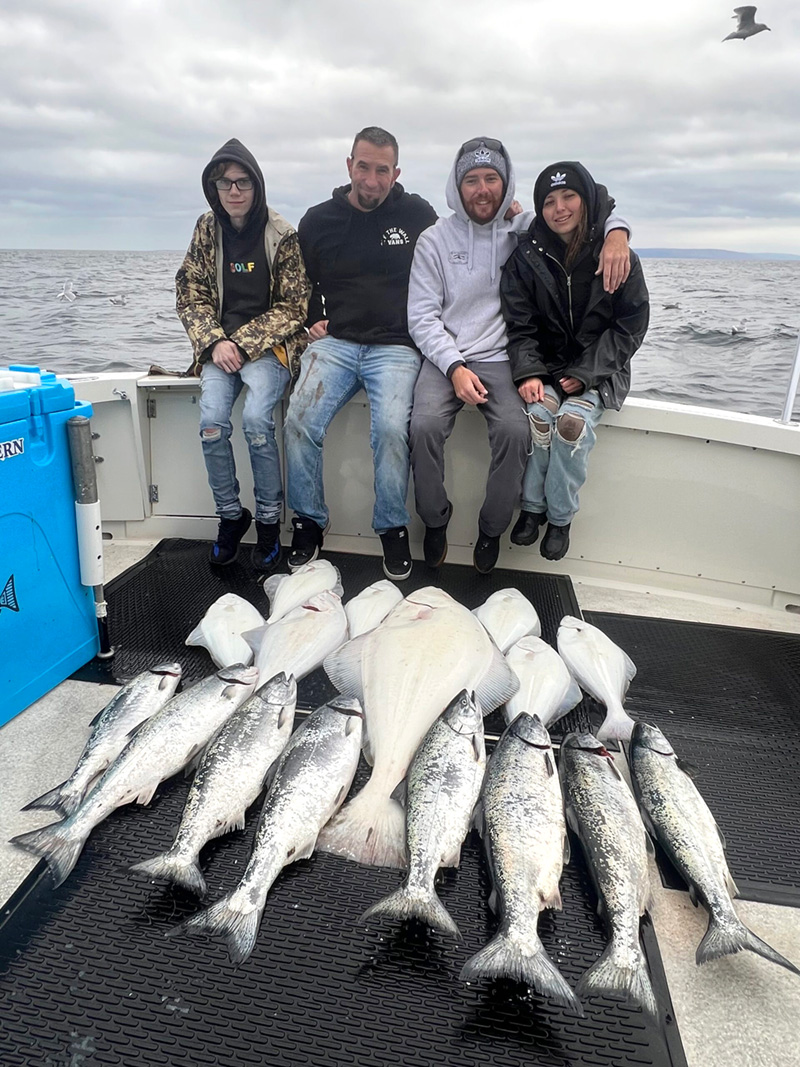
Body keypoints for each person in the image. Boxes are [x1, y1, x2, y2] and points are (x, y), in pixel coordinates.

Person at [407, 139, 632, 574]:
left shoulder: (525, 230)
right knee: (423, 426)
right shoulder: (433, 240)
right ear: (457, 186)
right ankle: (435, 519)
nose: (482, 189)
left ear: (506, 183)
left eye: (491, 178)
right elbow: (421, 317)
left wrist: (618, 232)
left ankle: (491, 529)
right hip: (445, 358)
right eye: (471, 180)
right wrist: (453, 366)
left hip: (502, 358)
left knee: (515, 429)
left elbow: (588, 210)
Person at [284, 127, 437, 579]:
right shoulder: (318, 220)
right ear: (349, 165)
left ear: (396, 173)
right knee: (298, 421)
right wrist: (311, 318)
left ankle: (391, 527)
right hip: (336, 343)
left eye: (382, 170)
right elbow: (299, 283)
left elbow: (454, 253)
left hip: (396, 346)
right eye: (364, 167)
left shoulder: (417, 214)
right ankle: (310, 520)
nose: (372, 180)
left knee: (391, 428)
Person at [500, 161, 650, 562]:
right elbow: (520, 326)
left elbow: (630, 328)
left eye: (569, 197)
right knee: (538, 417)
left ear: (585, 200)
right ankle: (532, 510)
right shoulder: (526, 255)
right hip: (547, 368)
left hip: (600, 372)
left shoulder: (617, 254)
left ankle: (560, 518)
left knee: (571, 424)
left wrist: (586, 374)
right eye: (549, 201)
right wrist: (529, 370)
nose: (559, 208)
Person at [176, 138, 310, 572]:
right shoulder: (205, 230)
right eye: (224, 183)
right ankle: (232, 516)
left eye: (243, 182)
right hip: (219, 348)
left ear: (257, 186)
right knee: (212, 423)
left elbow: (294, 306)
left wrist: (244, 342)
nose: (234, 191)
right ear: (213, 188)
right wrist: (216, 342)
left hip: (268, 348)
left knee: (256, 421)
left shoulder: (281, 234)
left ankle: (270, 523)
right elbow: (189, 294)